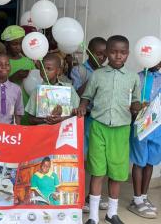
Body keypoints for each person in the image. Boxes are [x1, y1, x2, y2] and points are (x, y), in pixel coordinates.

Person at [75, 35, 141, 224]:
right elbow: (86, 96)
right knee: (97, 171)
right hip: (99, 127)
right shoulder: (97, 75)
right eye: (113, 52)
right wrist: (82, 105)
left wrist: (139, 107)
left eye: (122, 52)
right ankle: (94, 216)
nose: (117, 56)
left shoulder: (133, 77)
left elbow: (135, 101)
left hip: (121, 130)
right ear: (106, 53)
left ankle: (112, 213)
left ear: (127, 54)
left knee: (117, 173)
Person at [70, 37, 107, 213]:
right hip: (84, 119)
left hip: (100, 121)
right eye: (99, 53)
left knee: (97, 159)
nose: (103, 58)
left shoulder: (108, 71)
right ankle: (80, 197)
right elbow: (76, 95)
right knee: (82, 159)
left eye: (104, 54)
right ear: (89, 52)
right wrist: (95, 77)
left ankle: (92, 197)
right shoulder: (79, 71)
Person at [128, 61, 161, 219]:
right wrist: (137, 106)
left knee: (150, 162)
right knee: (139, 162)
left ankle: (144, 196)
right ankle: (136, 199)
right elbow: (130, 102)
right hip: (140, 126)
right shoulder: (138, 77)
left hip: (157, 127)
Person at [25, 53, 80, 125]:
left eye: (49, 69)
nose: (44, 71)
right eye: (42, 68)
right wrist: (47, 120)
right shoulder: (37, 91)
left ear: (59, 71)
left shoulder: (69, 89)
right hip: (43, 133)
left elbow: (77, 113)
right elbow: (31, 119)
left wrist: (62, 119)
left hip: (63, 133)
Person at [0, 52, 24, 124]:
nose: (4, 67)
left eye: (7, 64)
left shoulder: (16, 89)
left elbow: (18, 112)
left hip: (8, 131)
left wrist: (17, 130)